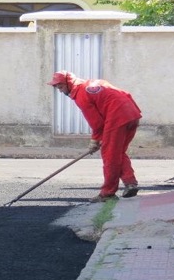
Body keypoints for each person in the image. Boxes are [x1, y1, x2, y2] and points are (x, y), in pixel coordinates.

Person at [48, 71, 142, 203]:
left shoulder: (81, 95)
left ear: (68, 83)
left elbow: (97, 123)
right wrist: (98, 139)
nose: (60, 91)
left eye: (60, 87)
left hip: (117, 116)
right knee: (118, 152)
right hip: (132, 113)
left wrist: (95, 141)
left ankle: (108, 193)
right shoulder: (91, 84)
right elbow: (124, 95)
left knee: (109, 155)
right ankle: (130, 183)